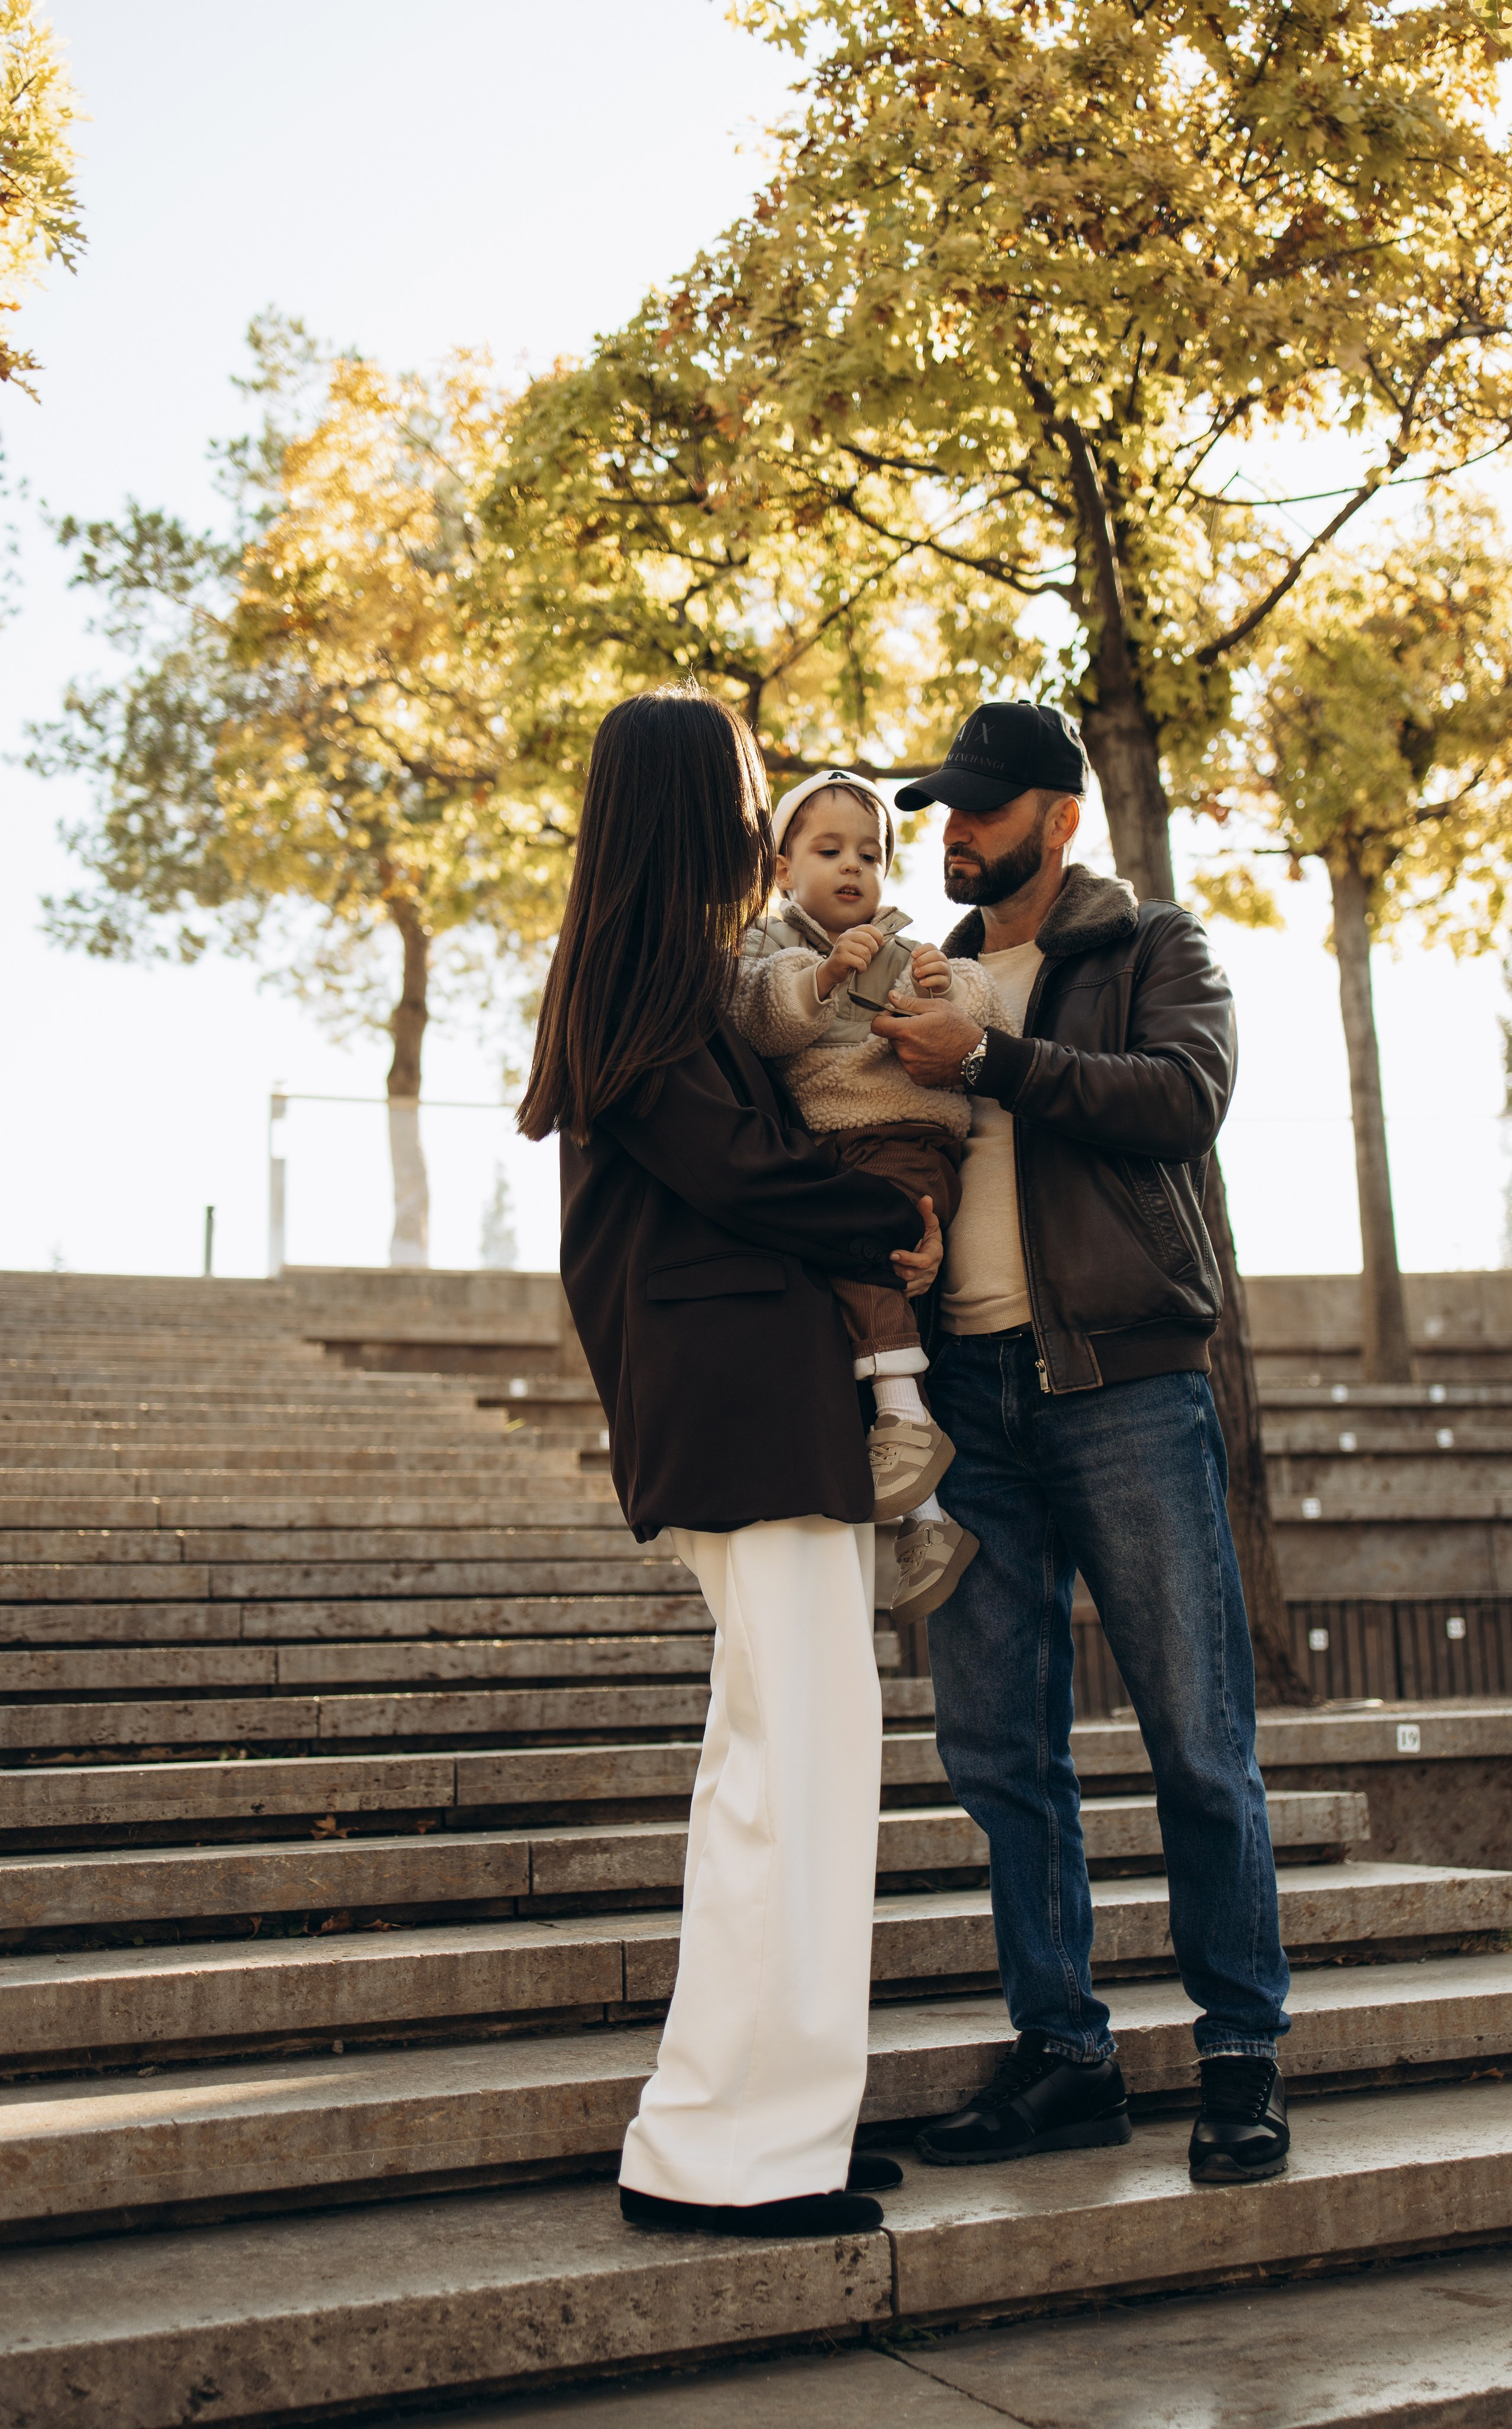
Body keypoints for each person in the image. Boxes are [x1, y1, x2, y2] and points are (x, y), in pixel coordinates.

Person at [517, 686, 943, 2240]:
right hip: (737, 1403)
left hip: (765, 1401)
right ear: (692, 798)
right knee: (794, 1774)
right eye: (747, 785)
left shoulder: (661, 967)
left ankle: (776, 2127)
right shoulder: (637, 965)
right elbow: (732, 1169)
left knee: (788, 1769)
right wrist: (884, 1227)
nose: (760, 810)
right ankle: (726, 2152)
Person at [870, 700, 1293, 2187]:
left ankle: (1238, 2055)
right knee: (996, 1751)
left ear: (1057, 816)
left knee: (1195, 1734)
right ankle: (1064, 2053)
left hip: (1121, 1383)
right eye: (938, 812)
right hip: (965, 1398)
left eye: (979, 809)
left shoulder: (1148, 948)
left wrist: (986, 1060)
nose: (950, 834)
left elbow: (1181, 1103)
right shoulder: (923, 970)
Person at [730, 767, 1007, 1620]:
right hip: (840, 1148)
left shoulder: (907, 944)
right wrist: (818, 980)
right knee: (857, 1282)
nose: (853, 868)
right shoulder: (772, 946)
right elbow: (756, 1014)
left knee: (859, 1254)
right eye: (829, 851)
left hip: (905, 1137)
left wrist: (940, 986)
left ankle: (904, 1420)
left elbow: (979, 1000)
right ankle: (925, 1517)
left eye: (870, 855)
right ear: (783, 869)